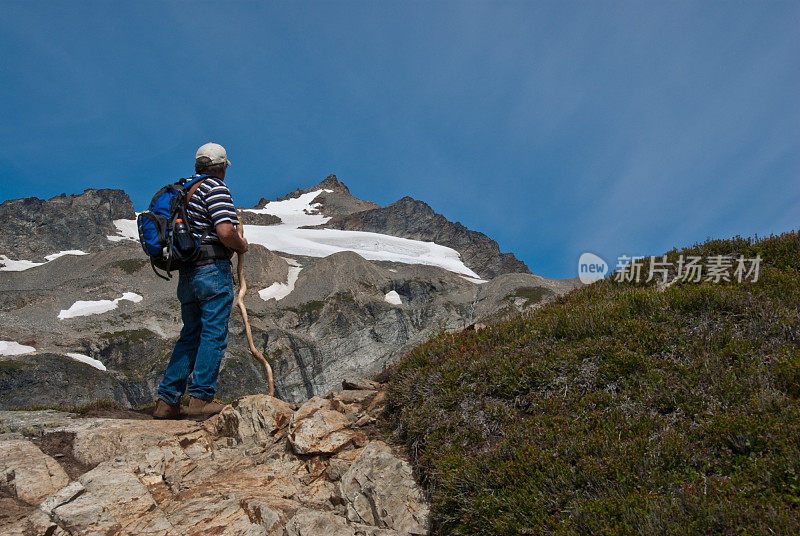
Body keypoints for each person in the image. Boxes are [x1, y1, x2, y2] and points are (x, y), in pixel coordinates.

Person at [153, 142, 248, 419]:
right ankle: (201, 398)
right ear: (221, 168)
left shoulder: (184, 190)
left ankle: (167, 401)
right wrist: (241, 245)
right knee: (213, 334)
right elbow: (225, 230)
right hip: (212, 270)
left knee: (190, 334)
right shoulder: (215, 188)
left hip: (188, 273)